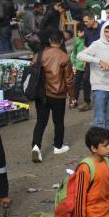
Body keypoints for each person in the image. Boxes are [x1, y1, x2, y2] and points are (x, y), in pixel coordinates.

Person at [78, 22, 109, 152]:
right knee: (99, 121)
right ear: (102, 32)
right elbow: (80, 55)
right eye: (106, 31)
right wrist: (99, 61)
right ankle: (97, 150)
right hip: (99, 87)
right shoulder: (96, 45)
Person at [30, 29, 74, 163]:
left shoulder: (40, 54)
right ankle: (58, 146)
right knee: (58, 121)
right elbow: (69, 80)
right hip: (58, 94)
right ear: (61, 41)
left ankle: (36, 146)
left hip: (41, 94)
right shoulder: (64, 57)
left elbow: (33, 71)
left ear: (49, 41)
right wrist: (72, 96)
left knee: (41, 121)